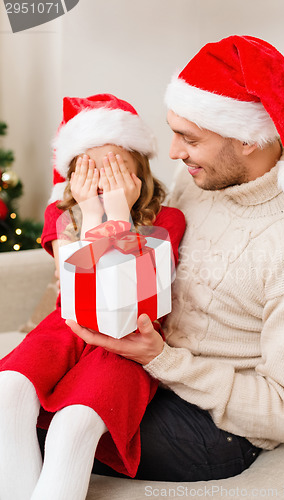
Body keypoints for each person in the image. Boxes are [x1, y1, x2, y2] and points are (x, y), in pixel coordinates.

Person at [67, 36, 284, 483]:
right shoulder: (201, 181)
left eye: (189, 138)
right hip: (146, 374)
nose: (174, 152)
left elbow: (283, 413)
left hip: (215, 427)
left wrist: (162, 359)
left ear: (247, 140)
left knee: (53, 431)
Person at [0, 93, 186, 500]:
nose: (103, 181)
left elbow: (128, 299)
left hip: (127, 339)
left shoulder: (169, 219)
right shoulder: (62, 217)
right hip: (67, 325)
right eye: (89, 168)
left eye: (116, 168)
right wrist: (91, 217)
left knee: (76, 420)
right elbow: (78, 286)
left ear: (139, 171)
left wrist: (119, 214)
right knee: (8, 388)